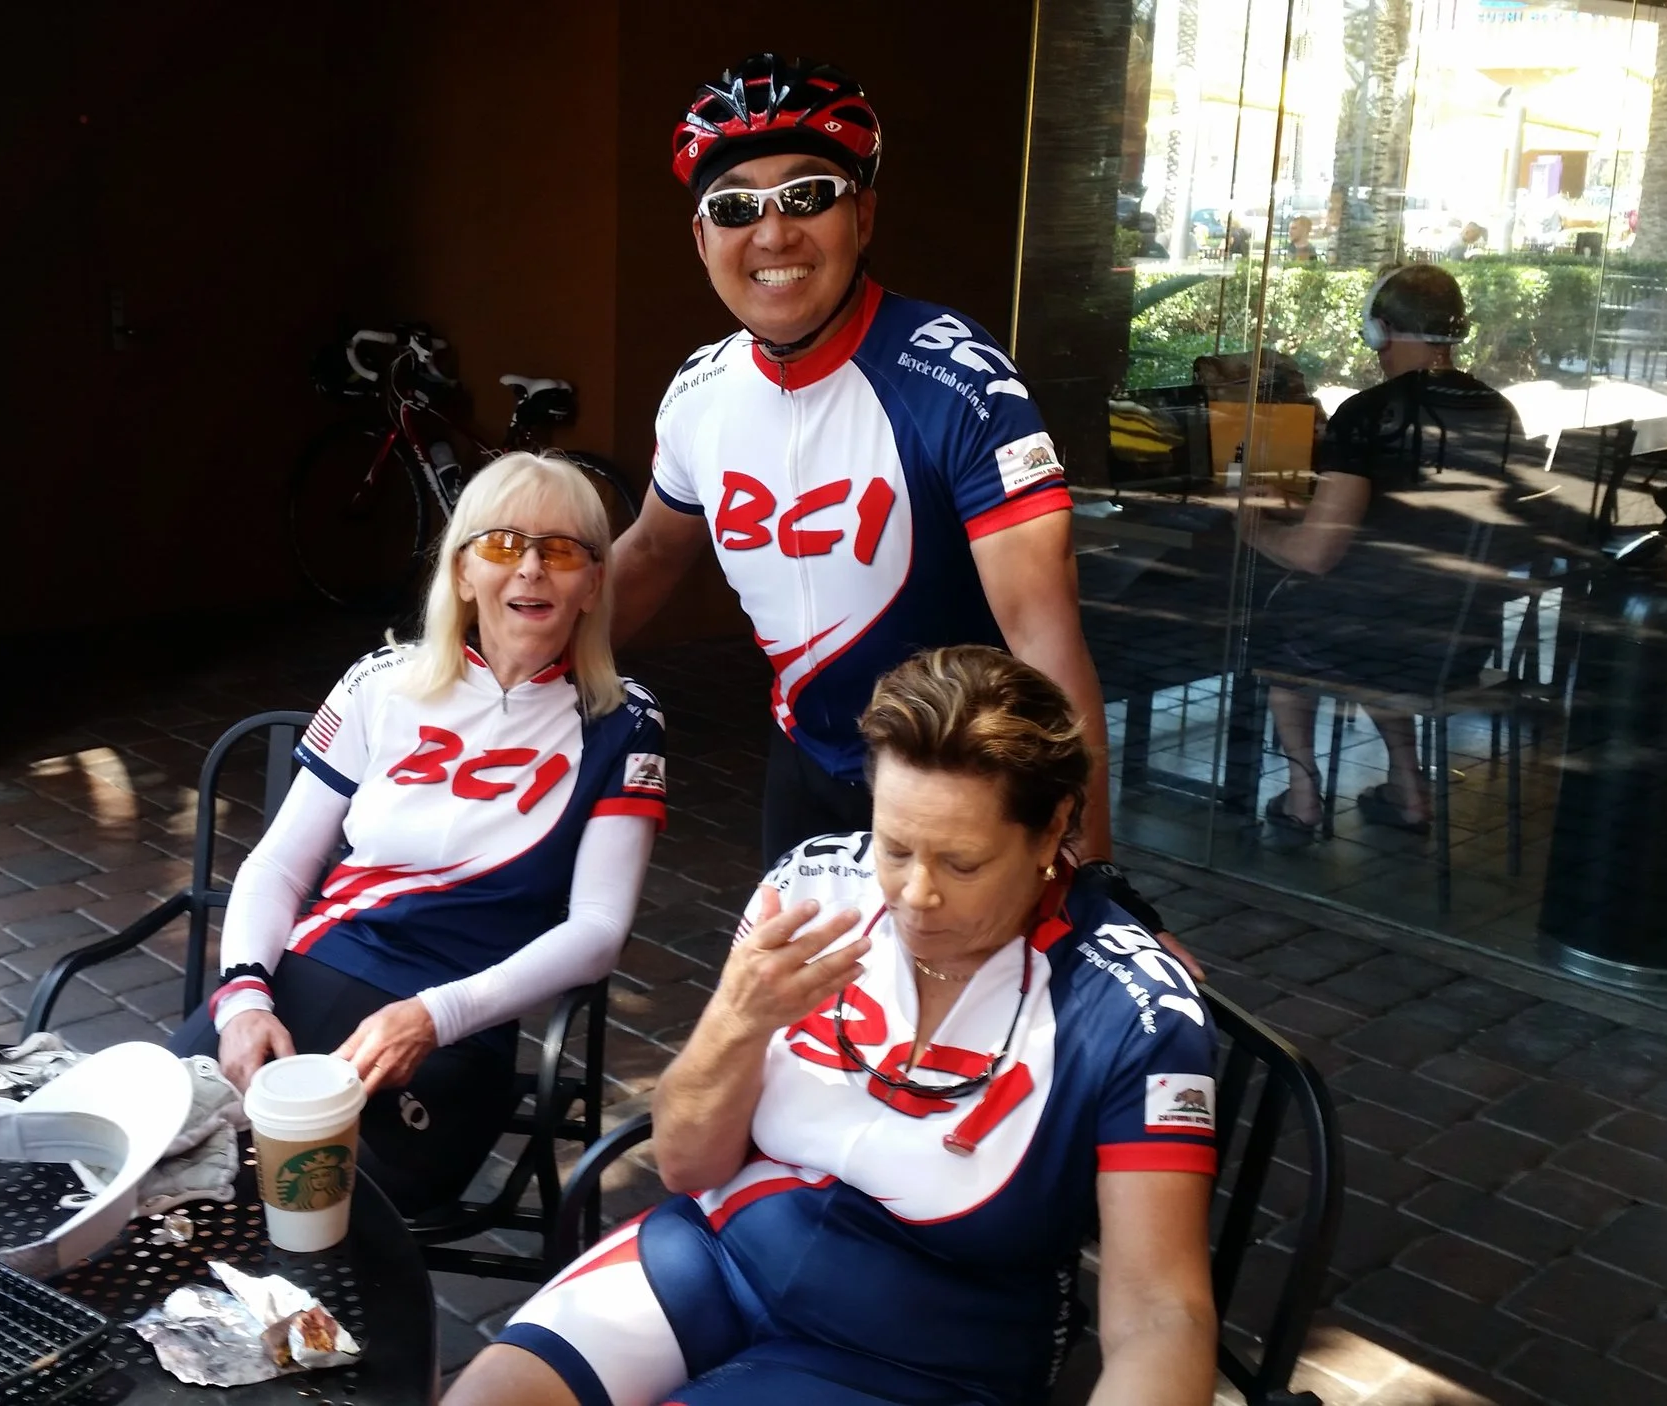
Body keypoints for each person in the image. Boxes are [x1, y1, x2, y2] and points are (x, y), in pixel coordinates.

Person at [446, 646, 1220, 1406]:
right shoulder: (813, 885)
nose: (915, 895)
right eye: (895, 846)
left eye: (962, 863)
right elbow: (685, 1163)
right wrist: (736, 1024)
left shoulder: (1135, 1012)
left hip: (916, 1353)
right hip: (718, 1252)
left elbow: (1162, 1314)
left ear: (1052, 830)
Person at [605, 54, 1120, 881]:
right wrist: (505, 674)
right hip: (806, 770)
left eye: (808, 196)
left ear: (864, 216)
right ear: (702, 239)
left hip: (964, 783)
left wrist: (1090, 872)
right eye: (735, 207)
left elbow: (1045, 636)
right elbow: (653, 552)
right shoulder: (699, 391)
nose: (774, 234)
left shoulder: (958, 381)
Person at [170, 453, 666, 1215]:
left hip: (457, 1022)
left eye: (562, 550)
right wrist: (242, 1003)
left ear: (594, 583)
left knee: (316, 1201)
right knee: (148, 1149)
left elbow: (598, 930)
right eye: (501, 544)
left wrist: (437, 1017)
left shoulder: (622, 721)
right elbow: (278, 866)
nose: (530, 568)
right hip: (308, 974)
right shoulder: (381, 682)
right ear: (463, 571)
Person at [1238, 264, 1534, 839]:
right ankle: (1408, 789)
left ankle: (1303, 798)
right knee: (1372, 612)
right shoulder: (1499, 411)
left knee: (1284, 623)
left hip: (1389, 642)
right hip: (1461, 642)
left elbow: (1316, 555)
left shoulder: (1369, 412)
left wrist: (1252, 528)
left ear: (1381, 330)